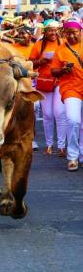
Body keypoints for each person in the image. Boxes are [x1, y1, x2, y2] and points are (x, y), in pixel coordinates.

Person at [29, 20, 67, 156]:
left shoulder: (64, 43)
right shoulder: (38, 45)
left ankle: (62, 146)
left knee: (60, 114)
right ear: (45, 31)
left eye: (56, 30)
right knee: (47, 115)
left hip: (59, 82)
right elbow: (30, 64)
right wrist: (41, 61)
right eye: (51, 30)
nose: (54, 32)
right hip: (44, 82)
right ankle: (50, 145)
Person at [51, 19, 83, 171]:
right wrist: (63, 70)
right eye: (68, 33)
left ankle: (81, 154)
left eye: (74, 33)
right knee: (73, 120)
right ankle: (72, 157)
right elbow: (53, 71)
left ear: (80, 32)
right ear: (64, 34)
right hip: (70, 88)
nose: (71, 36)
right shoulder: (61, 50)